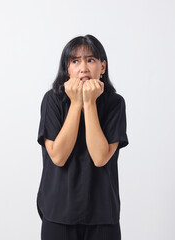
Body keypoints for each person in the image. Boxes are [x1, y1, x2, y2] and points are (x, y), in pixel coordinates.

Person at [36, 34, 129, 240]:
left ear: (102, 67)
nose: (83, 68)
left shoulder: (115, 103)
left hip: (102, 214)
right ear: (67, 68)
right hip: (58, 212)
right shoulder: (52, 100)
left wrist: (89, 103)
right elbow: (58, 157)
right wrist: (76, 103)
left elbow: (99, 157)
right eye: (75, 61)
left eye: (91, 60)